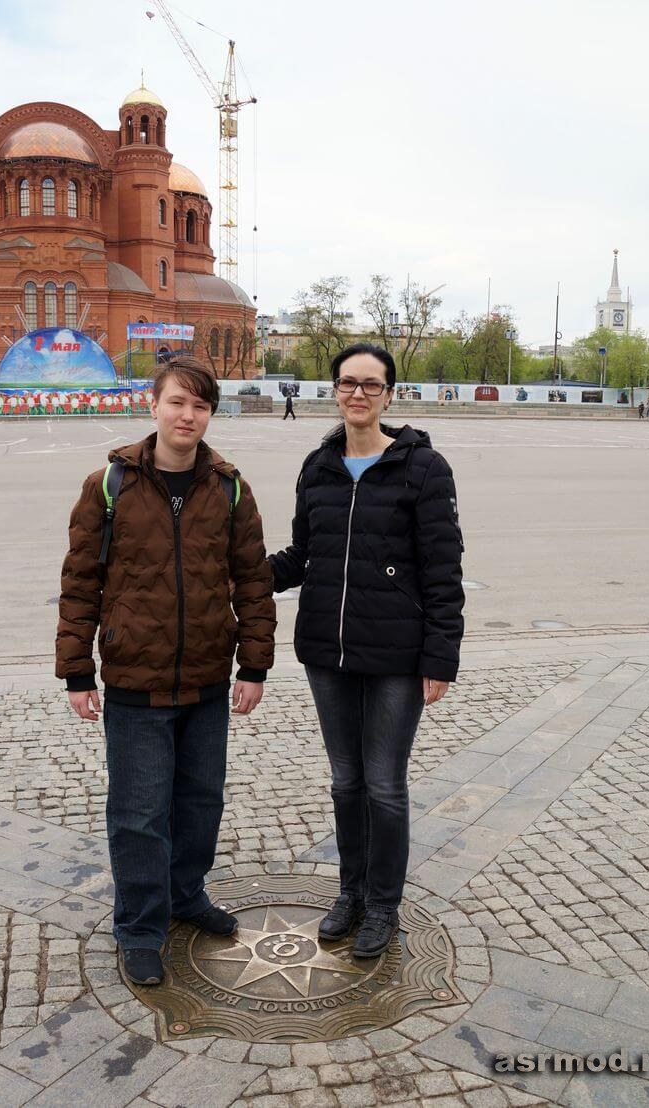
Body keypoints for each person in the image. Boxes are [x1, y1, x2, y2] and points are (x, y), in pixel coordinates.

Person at [56, 355, 276, 988]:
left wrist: (254, 664)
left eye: (200, 405)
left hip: (209, 678)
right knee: (139, 814)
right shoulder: (110, 484)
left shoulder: (229, 488)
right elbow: (80, 583)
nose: (188, 416)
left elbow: (254, 583)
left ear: (210, 413)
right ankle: (141, 927)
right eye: (178, 402)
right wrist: (77, 671)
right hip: (135, 682)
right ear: (153, 404)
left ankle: (186, 895)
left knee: (201, 803)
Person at [269, 343, 465, 958]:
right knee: (345, 782)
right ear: (334, 390)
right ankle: (349, 892)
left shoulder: (423, 468)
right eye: (348, 383)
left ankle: (383, 906)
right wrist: (241, 575)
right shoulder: (317, 466)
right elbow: (304, 556)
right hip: (328, 650)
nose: (358, 394)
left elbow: (443, 570)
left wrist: (440, 656)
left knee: (384, 785)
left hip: (397, 658)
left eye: (371, 385)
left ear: (389, 394)